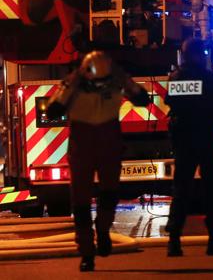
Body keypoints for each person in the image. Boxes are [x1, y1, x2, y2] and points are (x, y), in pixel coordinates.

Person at [47, 51, 150, 272]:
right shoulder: (73, 84)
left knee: (109, 194)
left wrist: (126, 81)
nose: (99, 87)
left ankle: (103, 231)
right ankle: (86, 253)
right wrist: (70, 85)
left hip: (108, 143)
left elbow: (143, 100)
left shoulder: (116, 81)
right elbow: (53, 110)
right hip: (83, 145)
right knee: (81, 203)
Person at [165, 38, 213, 257]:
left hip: (184, 140)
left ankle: (174, 241)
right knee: (212, 190)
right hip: (206, 139)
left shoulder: (176, 78)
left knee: (181, 189)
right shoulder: (209, 79)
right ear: (198, 54)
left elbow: (170, 102)